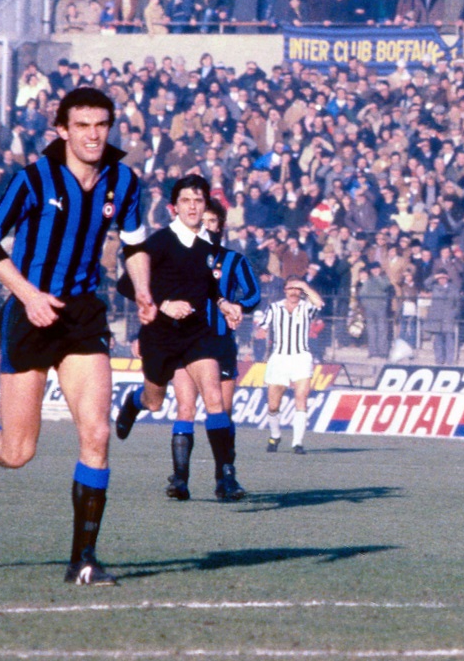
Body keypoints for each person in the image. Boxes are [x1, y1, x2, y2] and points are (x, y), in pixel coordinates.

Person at [0, 87, 146, 585]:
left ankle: (83, 561)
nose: (93, 135)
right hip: (29, 315)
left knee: (97, 434)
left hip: (84, 315)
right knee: (18, 451)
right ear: (62, 130)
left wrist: (146, 293)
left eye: (101, 125)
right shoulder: (34, 180)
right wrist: (28, 295)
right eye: (82, 125)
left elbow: (134, 245)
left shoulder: (125, 181)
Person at [111, 174, 245, 502]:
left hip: (198, 335)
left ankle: (225, 479)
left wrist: (224, 303)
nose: (193, 207)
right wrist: (164, 304)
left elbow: (208, 286)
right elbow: (126, 285)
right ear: (174, 207)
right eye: (186, 201)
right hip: (160, 335)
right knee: (155, 402)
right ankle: (134, 403)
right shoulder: (157, 243)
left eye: (198, 201)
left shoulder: (210, 244)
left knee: (214, 400)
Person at [158, 196, 262, 500]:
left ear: (221, 225)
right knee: (185, 408)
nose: (208, 226)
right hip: (185, 341)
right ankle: (180, 480)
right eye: (203, 220)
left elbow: (254, 294)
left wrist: (238, 307)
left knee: (223, 412)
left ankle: (224, 479)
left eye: (213, 221)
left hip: (219, 344)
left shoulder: (233, 260)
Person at [256, 277, 324, 454]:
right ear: (285, 290)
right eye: (290, 288)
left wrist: (304, 286)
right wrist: (260, 334)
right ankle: (275, 435)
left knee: (301, 398)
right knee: (273, 405)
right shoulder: (274, 308)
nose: (294, 292)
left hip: (301, 357)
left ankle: (297, 443)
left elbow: (319, 303)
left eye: (297, 289)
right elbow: (262, 328)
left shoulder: (306, 307)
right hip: (279, 358)